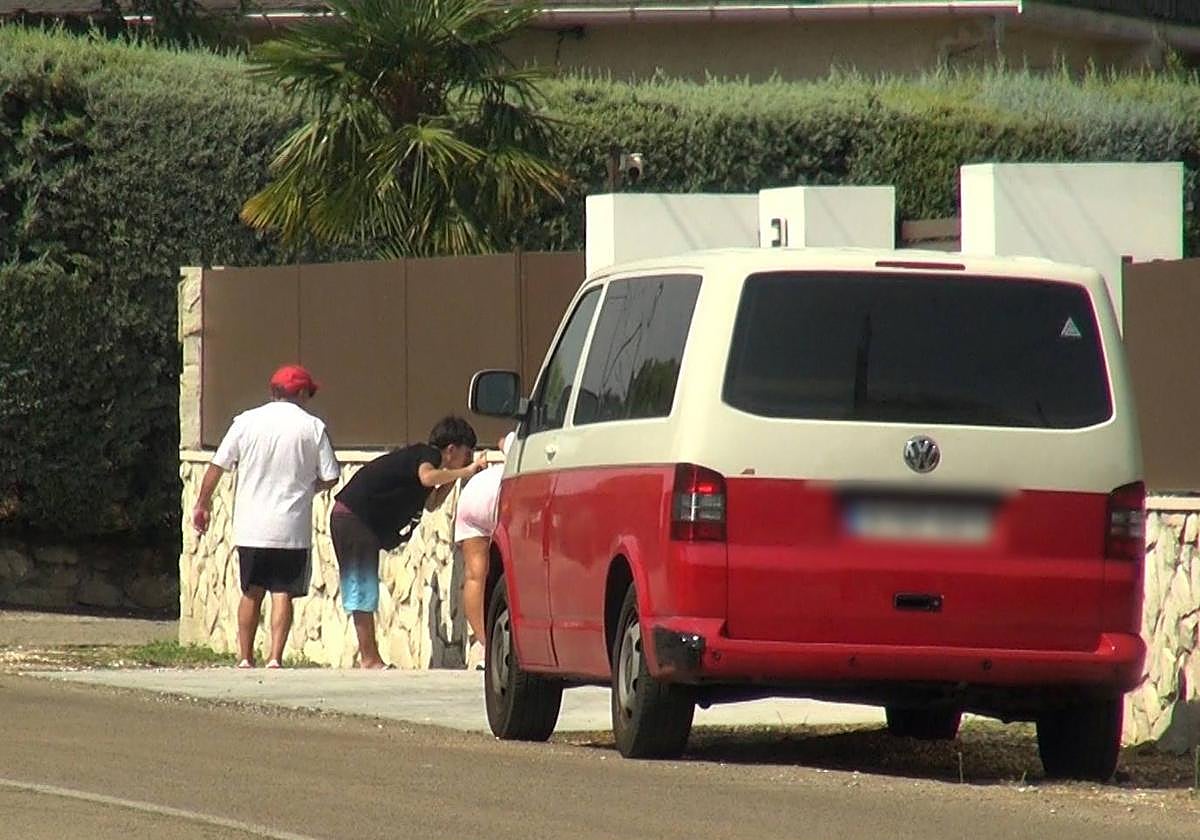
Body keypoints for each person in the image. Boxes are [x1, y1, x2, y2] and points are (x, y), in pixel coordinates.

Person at [192, 364, 340, 670]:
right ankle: (274, 657)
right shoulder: (312, 427)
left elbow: (217, 465)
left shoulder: (246, 422)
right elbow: (331, 475)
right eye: (308, 393)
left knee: (251, 590)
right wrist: (307, 488)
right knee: (282, 591)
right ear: (300, 393)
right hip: (292, 526)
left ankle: (245, 657)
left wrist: (202, 504)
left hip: (251, 526)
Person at [330, 416, 487, 669]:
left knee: (363, 587)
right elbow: (427, 478)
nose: (469, 461)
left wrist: (454, 476)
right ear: (451, 449)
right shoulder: (426, 455)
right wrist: (465, 471)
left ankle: (368, 657)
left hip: (354, 519)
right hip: (354, 517)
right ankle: (369, 659)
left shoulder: (433, 465)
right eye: (466, 454)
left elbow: (432, 503)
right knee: (361, 587)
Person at [454, 431, 516, 669]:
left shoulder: (522, 436)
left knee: (474, 575)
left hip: (474, 493)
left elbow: (503, 441)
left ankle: (486, 645)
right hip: (502, 497)